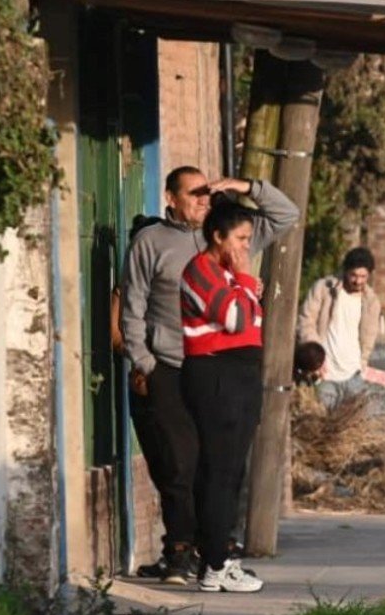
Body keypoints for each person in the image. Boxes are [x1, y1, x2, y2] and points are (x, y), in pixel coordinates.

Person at [119, 166, 297, 585]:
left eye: (206, 193)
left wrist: (245, 186)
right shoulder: (153, 243)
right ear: (170, 198)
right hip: (171, 363)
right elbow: (133, 305)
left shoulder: (229, 236)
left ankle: (216, 549)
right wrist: (143, 361)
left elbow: (286, 215)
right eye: (193, 194)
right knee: (179, 462)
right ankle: (181, 549)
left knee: (219, 464)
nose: (202, 199)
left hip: (220, 369)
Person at [179, 198, 293, 593]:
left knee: (231, 473)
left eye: (249, 240)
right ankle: (214, 563)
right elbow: (236, 319)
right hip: (216, 374)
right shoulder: (202, 271)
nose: (247, 247)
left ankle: (219, 554)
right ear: (218, 236)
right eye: (241, 239)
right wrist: (245, 281)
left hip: (240, 376)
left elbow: (249, 320)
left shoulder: (229, 276)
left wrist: (243, 284)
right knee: (219, 473)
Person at [297, 247, 382, 406]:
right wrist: (315, 359)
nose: (358, 281)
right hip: (325, 374)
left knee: (354, 427)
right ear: (345, 271)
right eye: (354, 275)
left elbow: (369, 339)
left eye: (363, 276)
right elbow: (305, 321)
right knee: (321, 424)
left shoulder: (372, 302)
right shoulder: (324, 289)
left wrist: (362, 364)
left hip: (354, 374)